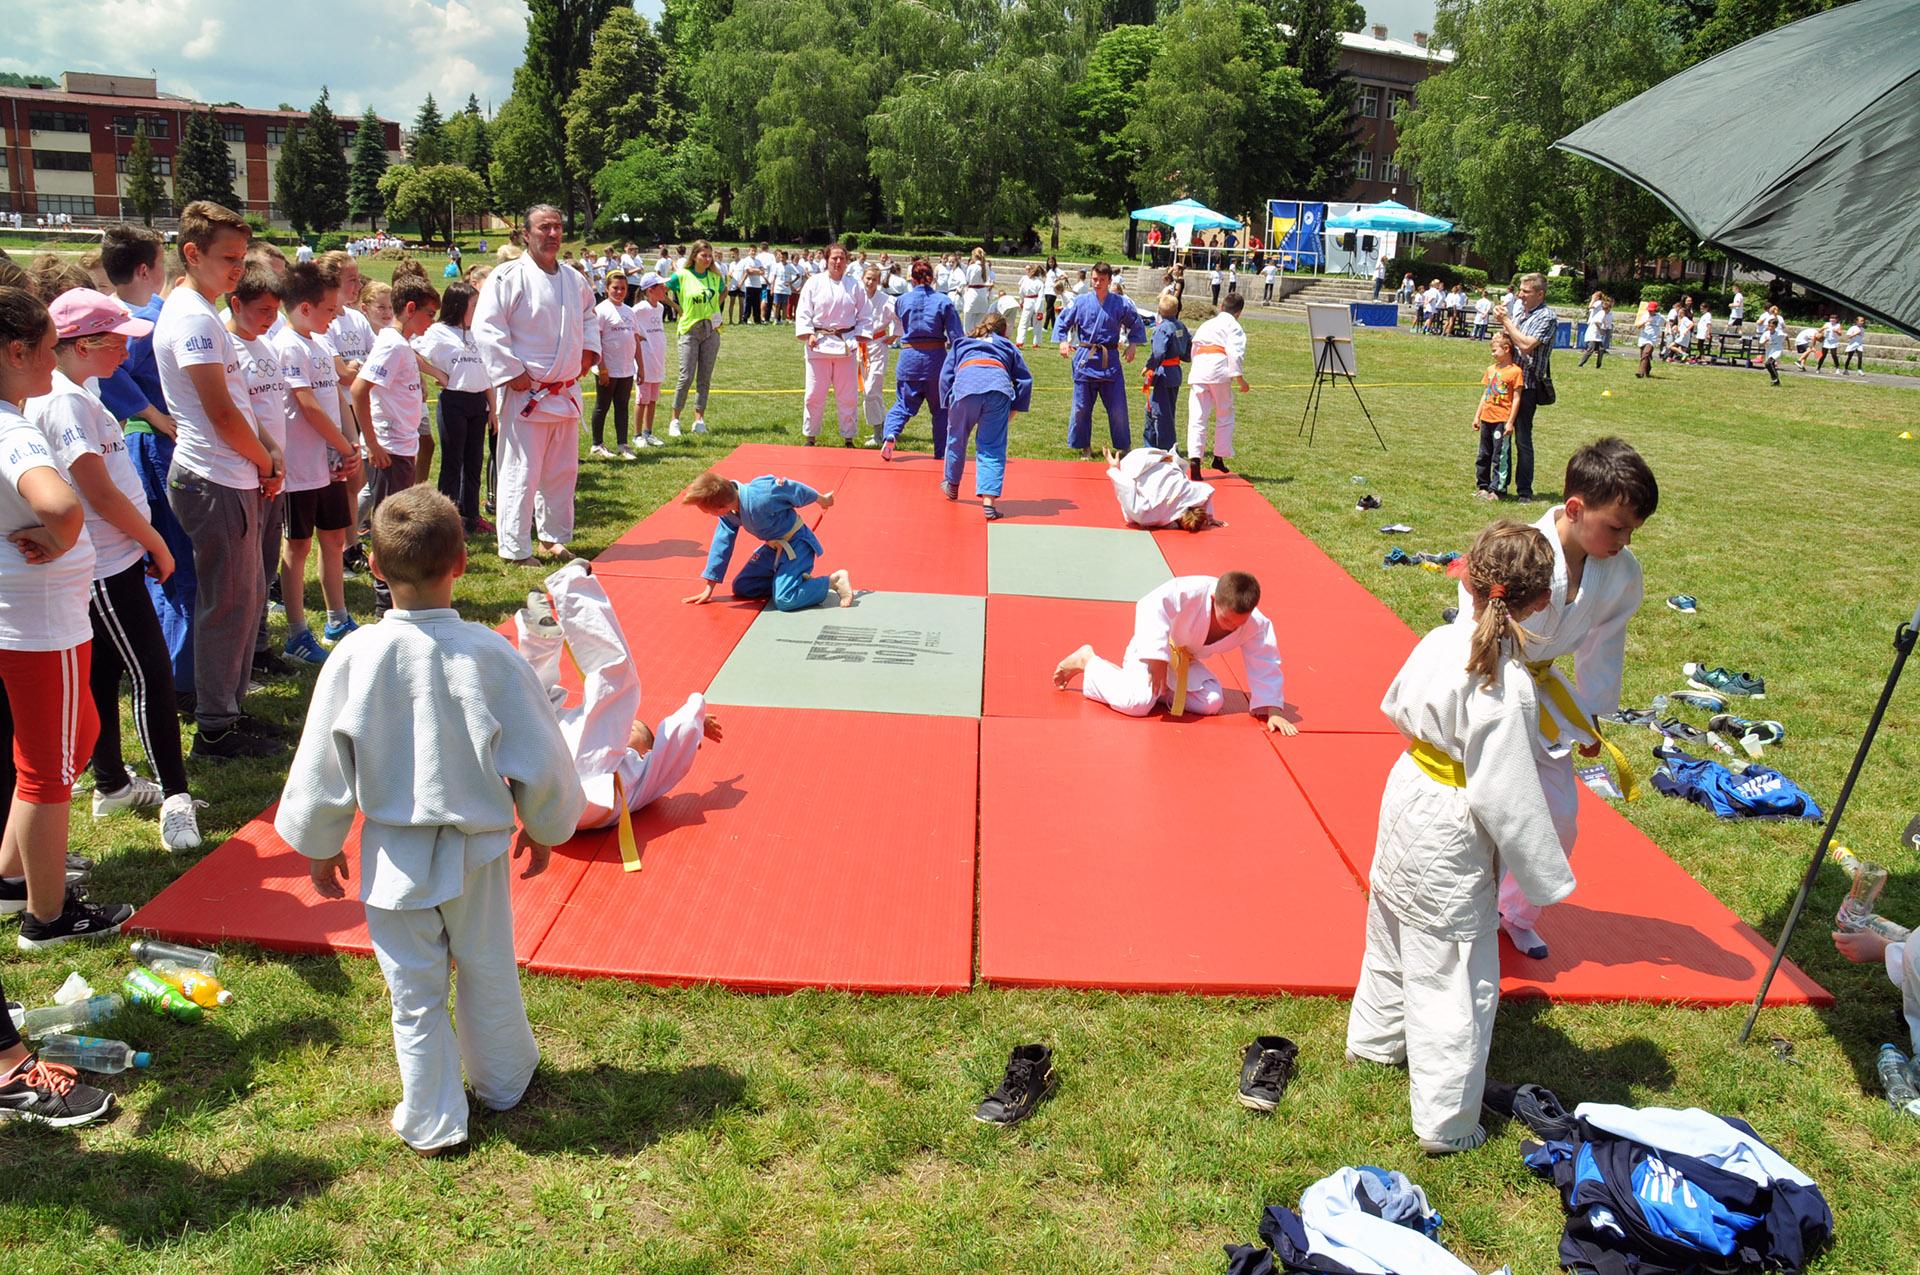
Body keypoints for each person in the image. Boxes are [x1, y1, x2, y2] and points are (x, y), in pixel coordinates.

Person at [277, 486, 583, 1157]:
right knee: (487, 965)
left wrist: (321, 843)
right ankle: (503, 1080)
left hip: (393, 854)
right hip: (477, 846)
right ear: (463, 562)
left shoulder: (355, 657)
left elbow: (324, 765)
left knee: (413, 990)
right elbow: (542, 751)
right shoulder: (489, 653)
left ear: (376, 570)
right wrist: (543, 822)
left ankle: (433, 1117)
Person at [1347, 520, 1573, 1156]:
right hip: (1452, 818)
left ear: (1468, 581)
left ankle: (1374, 1040)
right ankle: (1446, 1122)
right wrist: (1544, 876)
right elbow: (1508, 796)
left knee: (1391, 926)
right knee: (1453, 968)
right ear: (1539, 604)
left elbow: (1395, 704)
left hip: (1407, 794)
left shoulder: (1439, 641)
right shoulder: (1506, 685)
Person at [1452, 438, 1655, 960]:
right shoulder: (1520, 550)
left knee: (1559, 818)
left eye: (1632, 529)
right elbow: (1471, 625)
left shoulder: (1621, 571)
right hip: (1490, 686)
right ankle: (1460, 909)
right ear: (1574, 508)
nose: (1625, 539)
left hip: (1542, 696)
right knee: (1472, 810)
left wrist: (1590, 717)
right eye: (1616, 526)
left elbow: (1605, 645)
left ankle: (1515, 912)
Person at [27, 289, 200, 852]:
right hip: (104, 562)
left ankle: (113, 784)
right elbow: (97, 490)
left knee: (104, 673)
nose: (127, 352)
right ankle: (175, 797)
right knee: (150, 671)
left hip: (111, 555)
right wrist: (156, 541)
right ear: (84, 344)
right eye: (119, 340)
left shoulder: (81, 389)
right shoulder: (64, 401)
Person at [0, 286, 140, 949]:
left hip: (35, 619)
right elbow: (59, 503)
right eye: (50, 351)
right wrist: (61, 530)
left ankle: (10, 877)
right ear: (17, 351)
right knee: (48, 771)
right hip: (40, 622)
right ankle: (48, 915)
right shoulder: (15, 428)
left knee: (74, 735)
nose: (55, 363)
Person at [155, 202, 285, 762]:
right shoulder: (190, 317)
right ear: (192, 253)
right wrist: (264, 460)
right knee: (227, 603)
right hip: (214, 476)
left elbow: (236, 400)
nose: (239, 268)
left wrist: (268, 452)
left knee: (248, 595)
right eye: (228, 258)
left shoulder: (202, 312)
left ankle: (227, 709)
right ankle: (215, 727)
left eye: (242, 256)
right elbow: (220, 414)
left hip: (231, 472)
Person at [515, 560, 723, 832]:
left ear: (646, 751)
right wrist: (693, 720)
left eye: (634, 728)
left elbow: (673, 744)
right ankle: (539, 640)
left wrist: (695, 717)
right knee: (536, 706)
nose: (628, 728)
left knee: (617, 680)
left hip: (583, 794)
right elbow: (677, 738)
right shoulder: (609, 748)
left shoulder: (645, 775)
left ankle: (572, 585)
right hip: (539, 787)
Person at [95, 225, 198, 709]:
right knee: (178, 564)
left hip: (140, 450)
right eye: (161, 262)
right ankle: (178, 675)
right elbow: (110, 371)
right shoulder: (146, 318)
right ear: (145, 269)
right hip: (156, 449)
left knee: (160, 567)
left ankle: (162, 666)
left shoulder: (122, 313)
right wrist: (152, 412)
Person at [472, 206, 599, 566]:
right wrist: (511, 370)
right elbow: (487, 327)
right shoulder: (507, 276)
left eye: (558, 227)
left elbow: (589, 317)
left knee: (561, 473)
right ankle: (514, 548)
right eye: (545, 227)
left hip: (565, 392)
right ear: (526, 234)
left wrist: (590, 352)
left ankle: (552, 538)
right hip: (526, 393)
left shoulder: (575, 280)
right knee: (520, 472)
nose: (553, 234)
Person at [1052, 572, 1294, 732]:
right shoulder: (1191, 590)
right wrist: (1157, 658)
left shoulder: (1255, 623)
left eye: (1238, 623)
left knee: (1212, 701)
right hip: (1152, 648)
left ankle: (1154, 690)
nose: (1231, 627)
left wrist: (1273, 710)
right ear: (1213, 599)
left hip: (1184, 661)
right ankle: (1089, 662)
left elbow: (1265, 660)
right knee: (1136, 704)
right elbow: (1150, 604)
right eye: (1226, 619)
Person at [274, 262, 363, 662]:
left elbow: (338, 398)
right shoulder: (288, 345)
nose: (335, 316)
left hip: (328, 463)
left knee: (332, 538)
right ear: (305, 307)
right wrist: (343, 445)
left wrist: (351, 441)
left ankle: (337, 619)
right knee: (297, 546)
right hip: (300, 469)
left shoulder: (321, 342)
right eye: (330, 310)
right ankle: (295, 632)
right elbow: (307, 405)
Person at [351, 276, 440, 614]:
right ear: (411, 308)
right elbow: (360, 390)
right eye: (429, 314)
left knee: (396, 520)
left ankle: (395, 591)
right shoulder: (391, 344)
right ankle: (384, 600)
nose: (431, 322)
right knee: (389, 525)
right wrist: (373, 444)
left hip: (401, 446)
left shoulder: (400, 343)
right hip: (389, 450)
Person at [226, 266, 297, 684]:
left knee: (264, 570)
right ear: (237, 304)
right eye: (262, 310)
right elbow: (238, 417)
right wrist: (264, 465)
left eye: (275, 310)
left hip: (275, 473)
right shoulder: (230, 349)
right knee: (248, 576)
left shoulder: (264, 346)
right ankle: (244, 659)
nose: (270, 318)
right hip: (251, 475)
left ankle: (259, 647)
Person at [681, 471, 853, 611]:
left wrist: (821, 499)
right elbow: (722, 543)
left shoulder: (762, 493)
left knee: (785, 600)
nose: (709, 515)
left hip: (797, 545)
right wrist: (709, 586)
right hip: (773, 548)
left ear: (721, 507)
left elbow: (792, 489)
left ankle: (832, 581)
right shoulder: (729, 513)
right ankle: (789, 580)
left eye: (709, 512)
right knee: (743, 587)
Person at [411, 279, 492, 529]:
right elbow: (410, 350)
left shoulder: (477, 331)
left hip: (479, 402)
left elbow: (486, 371)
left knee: (474, 460)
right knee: (452, 462)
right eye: (474, 305)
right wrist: (438, 373)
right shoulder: (439, 331)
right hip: (454, 401)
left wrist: (493, 408)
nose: (478, 310)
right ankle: (450, 518)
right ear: (458, 306)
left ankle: (471, 516)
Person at [938, 311, 1032, 520]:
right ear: (1004, 331)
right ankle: (988, 503)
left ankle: (952, 484)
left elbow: (946, 376)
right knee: (992, 446)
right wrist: (1016, 407)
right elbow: (1025, 380)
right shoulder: (1008, 346)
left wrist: (947, 402)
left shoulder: (962, 343)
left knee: (956, 439)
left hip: (965, 389)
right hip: (998, 390)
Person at [1054, 262, 1147, 458]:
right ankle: (1084, 446)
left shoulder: (1121, 303)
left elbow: (1136, 323)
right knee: (1081, 407)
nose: (1097, 283)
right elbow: (1063, 321)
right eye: (1094, 279)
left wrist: (1132, 344)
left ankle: (1123, 445)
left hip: (1109, 360)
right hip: (1085, 360)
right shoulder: (1080, 302)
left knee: (1118, 408)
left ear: (1109, 281)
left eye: (1101, 280)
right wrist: (1063, 341)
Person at [878, 258, 966, 462]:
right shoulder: (943, 301)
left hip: (909, 357)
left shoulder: (902, 300)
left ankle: (891, 433)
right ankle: (941, 452)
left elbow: (903, 320)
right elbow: (957, 337)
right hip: (936, 361)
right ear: (932, 277)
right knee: (941, 409)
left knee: (903, 403)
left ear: (911, 278)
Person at [795, 244, 871, 449]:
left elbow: (865, 315)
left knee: (847, 395)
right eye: (834, 258)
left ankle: (848, 437)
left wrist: (858, 337)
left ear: (847, 261)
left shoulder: (854, 285)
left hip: (846, 345)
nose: (838, 262)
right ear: (826, 260)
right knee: (814, 393)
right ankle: (810, 436)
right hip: (818, 343)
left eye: (842, 259)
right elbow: (803, 312)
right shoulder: (814, 283)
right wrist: (808, 333)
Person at [1491, 273, 1556, 503]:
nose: (1520, 295)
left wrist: (1507, 321)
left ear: (1540, 294)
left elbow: (1527, 345)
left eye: (1525, 292)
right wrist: (1503, 323)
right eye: (1520, 290)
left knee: (1523, 439)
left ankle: (1524, 491)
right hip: (1505, 384)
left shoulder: (1547, 317)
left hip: (1527, 386)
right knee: (1499, 437)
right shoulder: (1519, 310)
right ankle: (1497, 487)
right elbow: (1510, 339)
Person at [1185, 291, 1249, 481]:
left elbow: (1194, 347)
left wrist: (1197, 368)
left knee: (1197, 417)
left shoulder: (1207, 324)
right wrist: (1239, 379)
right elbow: (1235, 353)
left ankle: (1195, 459)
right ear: (1239, 313)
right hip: (1219, 369)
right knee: (1224, 414)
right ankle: (1218, 456)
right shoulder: (1234, 327)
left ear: (1221, 307)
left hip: (1199, 370)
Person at [664, 241, 725, 438]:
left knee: (704, 378)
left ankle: (699, 419)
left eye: (710, 256)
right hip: (689, 329)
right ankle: (675, 419)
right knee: (686, 376)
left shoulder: (715, 277)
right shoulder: (682, 275)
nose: (707, 259)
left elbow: (723, 292)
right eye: (703, 255)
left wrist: (715, 308)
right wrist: (678, 308)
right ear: (694, 256)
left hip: (711, 330)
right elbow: (661, 290)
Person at [1104, 446, 1223, 532]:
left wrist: (1209, 516)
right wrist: (1114, 469)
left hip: (1161, 461)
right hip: (1138, 462)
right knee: (1135, 508)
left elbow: (1207, 491)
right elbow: (1127, 487)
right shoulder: (1149, 516)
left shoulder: (1190, 494)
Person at [588, 270, 638, 460]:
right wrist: (602, 369)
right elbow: (597, 341)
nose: (619, 291)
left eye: (623, 288)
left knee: (622, 406)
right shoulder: (601, 310)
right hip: (607, 369)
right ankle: (597, 443)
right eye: (615, 288)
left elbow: (635, 339)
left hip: (626, 369)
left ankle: (622, 444)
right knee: (602, 406)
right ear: (607, 288)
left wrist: (639, 365)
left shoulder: (629, 311)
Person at [1472, 332, 1525, 499]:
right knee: (1483, 454)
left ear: (1506, 349)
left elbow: (1516, 398)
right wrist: (1477, 415)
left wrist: (1510, 422)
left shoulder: (1515, 372)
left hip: (1501, 420)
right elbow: (1485, 394)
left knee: (1499, 456)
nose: (1492, 354)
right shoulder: (1491, 370)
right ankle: (1483, 486)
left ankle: (1498, 489)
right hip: (1487, 417)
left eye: (1495, 351)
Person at [1142, 292, 1190, 453]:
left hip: (1162, 373)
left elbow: (1158, 352)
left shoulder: (1162, 329)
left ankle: (1165, 447)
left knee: (1161, 412)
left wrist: (1149, 366)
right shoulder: (1181, 327)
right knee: (1157, 408)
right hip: (1175, 372)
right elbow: (1188, 350)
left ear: (1159, 311)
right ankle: (1151, 444)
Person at [629, 272, 668, 448]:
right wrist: (639, 338)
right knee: (642, 398)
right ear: (650, 290)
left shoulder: (659, 307)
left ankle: (648, 432)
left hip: (658, 359)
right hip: (645, 359)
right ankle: (637, 435)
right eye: (661, 287)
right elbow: (629, 323)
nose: (665, 289)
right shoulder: (639, 308)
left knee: (653, 399)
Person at [961, 248, 995, 332]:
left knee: (968, 322)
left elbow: (967, 280)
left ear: (974, 256)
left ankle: (968, 338)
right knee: (979, 323)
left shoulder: (972, 267)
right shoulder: (986, 266)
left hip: (973, 293)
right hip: (983, 294)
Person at [1014, 264, 1046, 349]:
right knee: (1037, 324)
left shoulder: (1026, 280)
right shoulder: (1040, 283)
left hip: (1027, 301)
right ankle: (1036, 342)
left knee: (1023, 323)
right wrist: (1039, 310)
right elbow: (1041, 297)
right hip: (1036, 301)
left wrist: (1021, 301)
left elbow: (1021, 292)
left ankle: (1020, 341)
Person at [1755, 304, 1786, 387]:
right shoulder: (1766, 334)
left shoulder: (1779, 333)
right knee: (1769, 364)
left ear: (1775, 327)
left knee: (1769, 363)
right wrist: (1765, 341)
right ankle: (1776, 380)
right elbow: (1761, 343)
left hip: (1777, 350)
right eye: (1769, 326)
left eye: (1771, 326)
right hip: (1769, 350)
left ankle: (1774, 379)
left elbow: (1786, 337)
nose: (1770, 328)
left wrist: (1789, 346)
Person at [1634, 300, 1665, 379]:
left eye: (1652, 310)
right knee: (1644, 356)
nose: (1650, 311)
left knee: (1646, 353)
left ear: (1655, 309)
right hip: (1643, 338)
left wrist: (1670, 329)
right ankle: (1648, 369)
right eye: (1649, 310)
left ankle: (1640, 372)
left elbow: (1666, 323)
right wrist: (1646, 321)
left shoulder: (1660, 317)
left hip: (1652, 339)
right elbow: (1638, 326)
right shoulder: (1645, 315)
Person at [1576, 294, 1609, 368]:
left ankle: (1598, 365)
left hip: (1596, 335)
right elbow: (1597, 322)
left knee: (1601, 349)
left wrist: (1605, 325)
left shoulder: (1602, 313)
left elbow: (1603, 321)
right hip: (1593, 333)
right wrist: (1601, 331)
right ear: (1607, 309)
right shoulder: (1602, 313)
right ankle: (1581, 363)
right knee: (1591, 349)